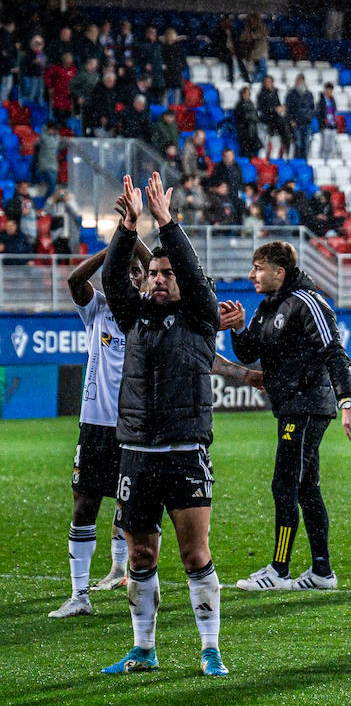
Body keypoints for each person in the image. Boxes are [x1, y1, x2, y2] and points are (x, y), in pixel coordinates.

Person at [100, 172, 226, 677]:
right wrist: (128, 229)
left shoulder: (201, 316)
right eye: (153, 272)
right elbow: (112, 281)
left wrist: (167, 224)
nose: (159, 278)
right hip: (135, 450)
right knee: (142, 555)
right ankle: (143, 649)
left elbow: (194, 277)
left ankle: (210, 649)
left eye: (167, 273)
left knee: (195, 553)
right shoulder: (134, 318)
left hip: (184, 449)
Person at [221, 242, 351, 591]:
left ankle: (279, 570)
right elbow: (250, 351)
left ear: (278, 272)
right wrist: (237, 328)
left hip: (308, 405)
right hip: (292, 406)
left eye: (258, 268)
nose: (252, 275)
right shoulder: (268, 306)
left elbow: (334, 352)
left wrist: (346, 402)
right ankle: (321, 572)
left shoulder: (308, 302)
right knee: (306, 488)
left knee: (285, 484)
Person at [47, 240, 151, 617]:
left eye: (137, 272)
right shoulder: (98, 309)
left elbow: (155, 266)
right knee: (84, 505)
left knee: (131, 506)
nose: (131, 276)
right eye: (123, 273)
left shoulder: (147, 313)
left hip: (135, 428)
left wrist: (131, 237)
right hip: (95, 425)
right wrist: (113, 250)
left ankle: (125, 576)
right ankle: (79, 596)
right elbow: (75, 279)